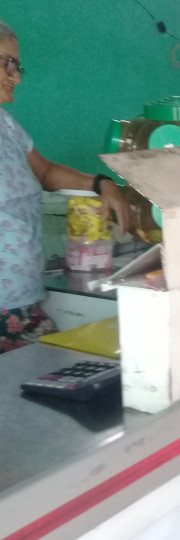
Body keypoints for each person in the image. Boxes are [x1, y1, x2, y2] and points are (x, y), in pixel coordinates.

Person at [0, 20, 129, 354]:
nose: (16, 77)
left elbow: (45, 172)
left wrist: (101, 184)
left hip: (23, 303)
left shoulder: (6, 126)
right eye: (7, 63)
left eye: (17, 65)